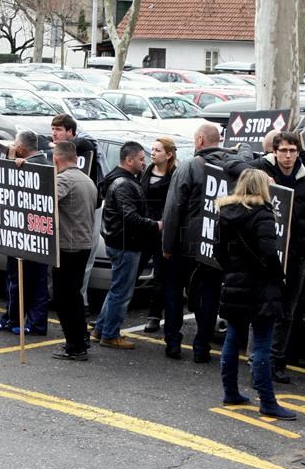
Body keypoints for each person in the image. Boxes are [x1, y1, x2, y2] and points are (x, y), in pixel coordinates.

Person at [226, 131, 305, 383]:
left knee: (287, 311)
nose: (288, 156)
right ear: (274, 152)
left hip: (296, 254)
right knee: (263, 309)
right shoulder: (260, 167)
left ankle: (276, 362)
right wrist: (260, 174)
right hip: (265, 254)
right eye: (283, 150)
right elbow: (230, 164)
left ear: (298, 152)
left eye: (292, 151)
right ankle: (257, 361)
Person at [162, 123, 252, 361]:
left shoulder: (190, 166)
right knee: (209, 295)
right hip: (218, 243)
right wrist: (241, 147)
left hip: (186, 244)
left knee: (174, 292)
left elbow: (174, 207)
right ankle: (202, 346)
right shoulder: (234, 168)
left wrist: (167, 245)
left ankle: (173, 342)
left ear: (200, 140)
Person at [215, 169, 296, 420]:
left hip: (235, 282)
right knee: (261, 344)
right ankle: (268, 402)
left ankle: (231, 392)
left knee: (232, 338)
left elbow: (219, 250)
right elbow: (269, 253)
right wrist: (277, 275)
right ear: (262, 187)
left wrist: (232, 270)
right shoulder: (263, 214)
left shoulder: (226, 213)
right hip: (261, 287)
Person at [91, 141, 161, 349]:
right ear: (129, 160)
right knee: (122, 292)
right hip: (125, 244)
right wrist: (155, 225)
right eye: (141, 159)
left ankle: (101, 329)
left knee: (117, 289)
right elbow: (130, 216)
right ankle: (110, 334)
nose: (144, 162)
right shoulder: (123, 184)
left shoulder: (121, 180)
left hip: (120, 241)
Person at [0, 130, 51, 335]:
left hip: (24, 233)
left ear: (22, 148)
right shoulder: (45, 163)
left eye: (15, 145)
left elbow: (11, 190)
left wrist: (11, 162)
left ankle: (12, 318)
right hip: (39, 235)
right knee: (37, 282)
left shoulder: (30, 166)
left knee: (17, 280)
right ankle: (35, 322)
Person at [49, 114, 105, 315]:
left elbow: (85, 143)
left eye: (59, 129)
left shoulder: (85, 146)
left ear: (71, 132)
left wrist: (64, 146)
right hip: (66, 224)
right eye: (53, 129)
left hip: (83, 218)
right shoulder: (55, 153)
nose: (54, 133)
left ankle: (80, 303)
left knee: (81, 266)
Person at [51, 141, 98, 360]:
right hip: (83, 244)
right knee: (75, 296)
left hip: (67, 247)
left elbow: (44, 201)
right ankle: (81, 339)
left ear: (56, 159)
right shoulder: (86, 179)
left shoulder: (64, 180)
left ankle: (75, 345)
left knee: (64, 298)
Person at [138, 137, 177, 333]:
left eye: (157, 150)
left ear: (168, 155)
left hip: (163, 229)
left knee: (160, 275)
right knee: (133, 270)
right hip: (145, 227)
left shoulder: (174, 175)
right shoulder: (146, 171)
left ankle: (154, 315)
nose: (152, 153)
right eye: (151, 149)